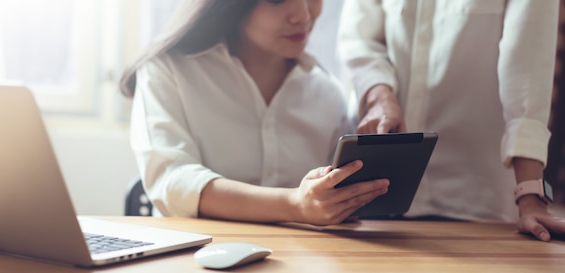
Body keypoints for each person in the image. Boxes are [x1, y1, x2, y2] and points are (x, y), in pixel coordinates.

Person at [338, 0, 565, 246]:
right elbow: (359, 38)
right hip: (374, 189)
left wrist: (532, 197)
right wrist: (380, 98)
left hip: (475, 198)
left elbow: (527, 68)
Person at [119, 0, 389, 226]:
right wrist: (294, 204)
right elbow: (173, 181)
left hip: (294, 270)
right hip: (191, 265)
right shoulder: (169, 71)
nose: (303, 15)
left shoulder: (328, 93)